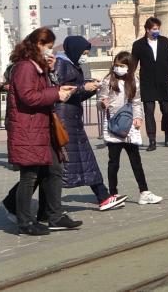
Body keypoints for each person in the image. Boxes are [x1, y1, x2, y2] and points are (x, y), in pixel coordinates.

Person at [5, 27, 81, 235]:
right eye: (48, 47)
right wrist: (56, 94)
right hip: (28, 128)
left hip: (41, 126)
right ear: (38, 45)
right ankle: (25, 221)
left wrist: (51, 74)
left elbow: (43, 90)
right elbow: (28, 96)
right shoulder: (25, 67)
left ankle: (54, 215)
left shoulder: (37, 67)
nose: (50, 52)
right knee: (29, 176)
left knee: (54, 170)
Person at [54, 37, 125, 211]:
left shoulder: (72, 65)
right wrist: (82, 88)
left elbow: (75, 93)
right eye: (84, 53)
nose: (84, 57)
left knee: (85, 160)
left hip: (72, 119)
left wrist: (90, 89)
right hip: (64, 120)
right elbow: (61, 91)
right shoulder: (61, 65)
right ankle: (16, 202)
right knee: (52, 168)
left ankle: (103, 196)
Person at [98, 52, 163, 206]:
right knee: (114, 162)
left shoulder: (134, 80)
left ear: (130, 67)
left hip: (130, 126)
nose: (119, 68)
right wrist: (102, 104)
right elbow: (100, 101)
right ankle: (113, 194)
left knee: (136, 161)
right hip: (114, 125)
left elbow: (137, 102)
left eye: (122, 66)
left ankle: (144, 192)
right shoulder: (108, 80)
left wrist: (138, 117)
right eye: (117, 65)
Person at [130, 17, 168, 151]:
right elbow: (133, 63)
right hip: (147, 83)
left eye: (158, 29)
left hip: (163, 81)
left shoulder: (164, 41)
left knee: (167, 111)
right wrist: (131, 77)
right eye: (154, 29)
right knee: (149, 112)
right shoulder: (138, 45)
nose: (157, 31)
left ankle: (167, 134)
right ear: (147, 30)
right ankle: (152, 140)